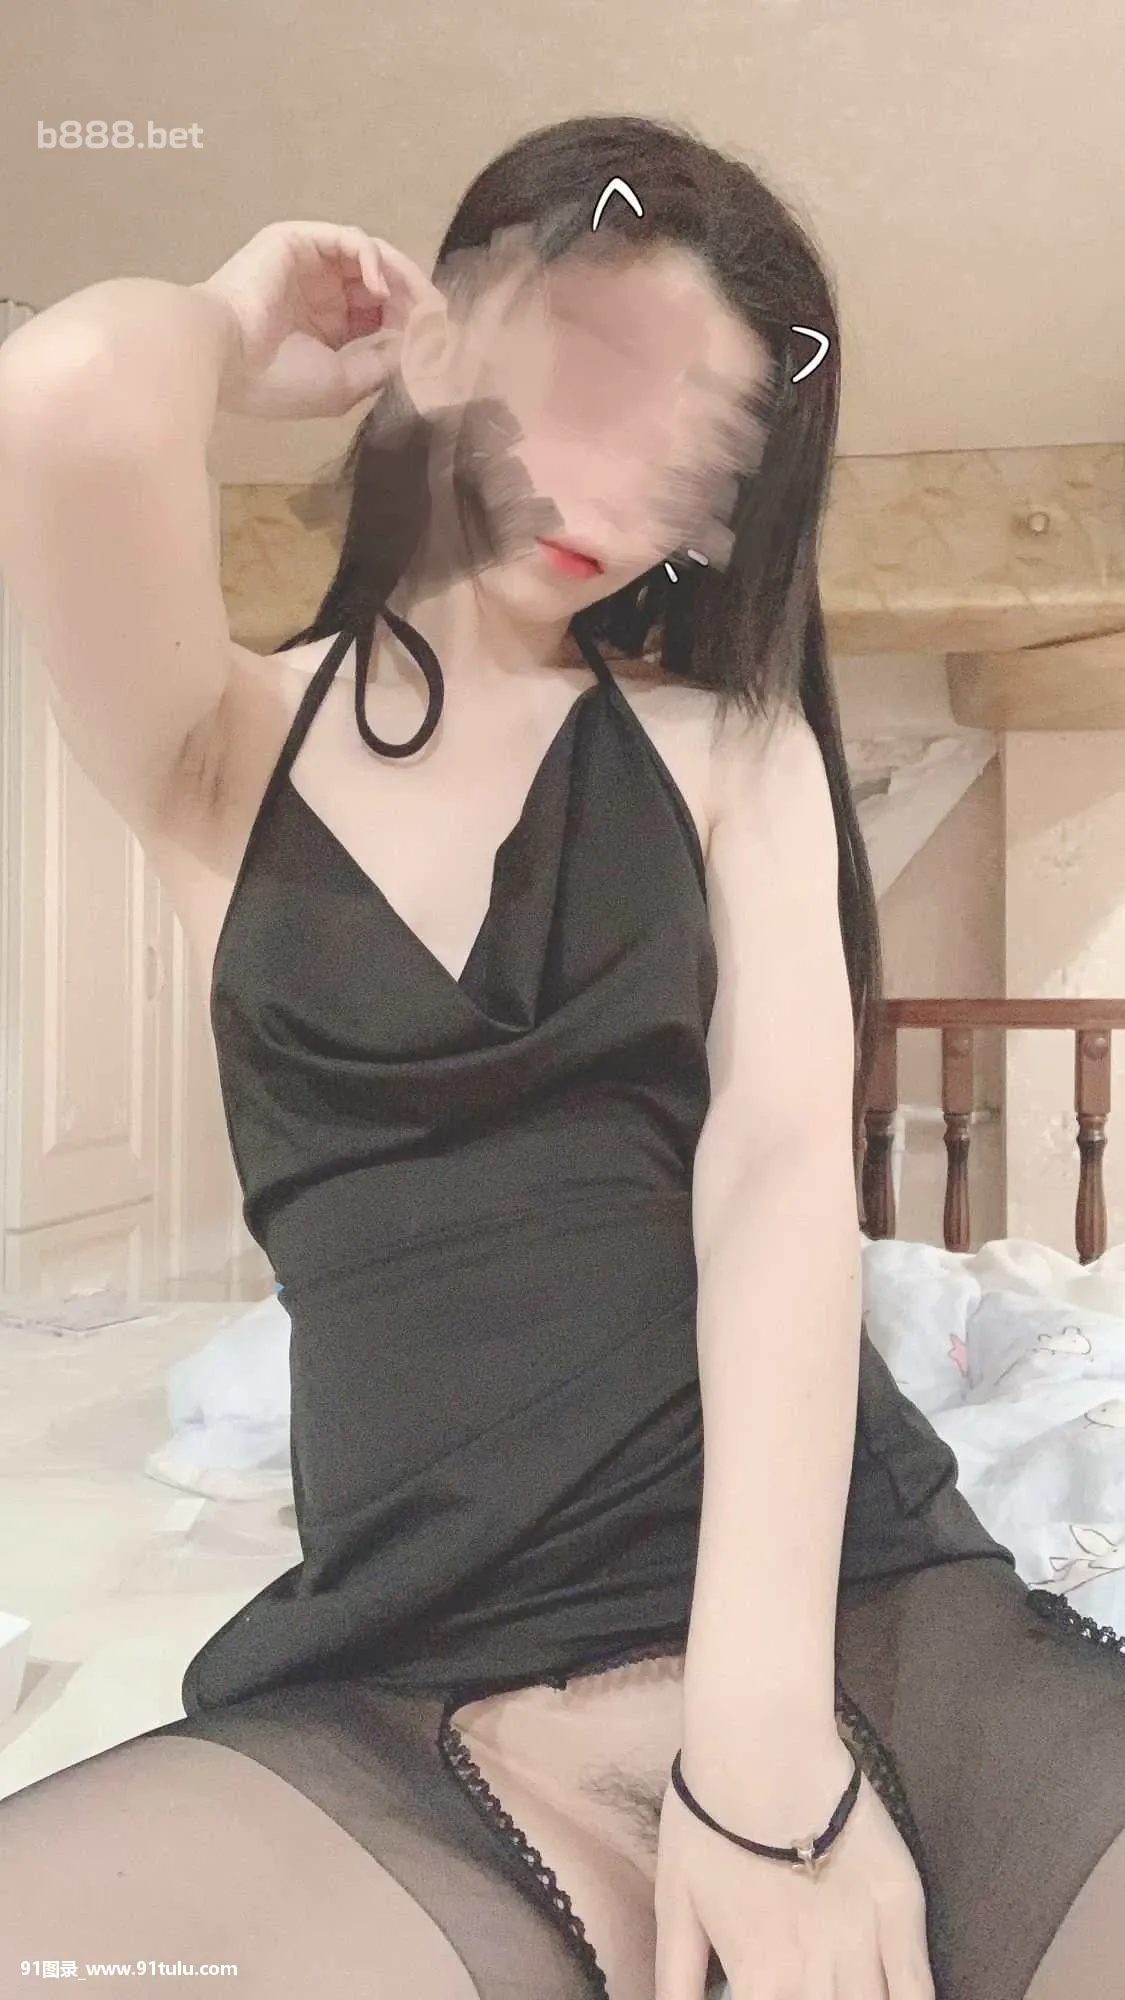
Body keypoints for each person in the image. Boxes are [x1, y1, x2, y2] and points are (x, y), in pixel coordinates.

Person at [0, 111, 1122, 2000]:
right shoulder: (223, 750)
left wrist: (761, 1755)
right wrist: (241, 314)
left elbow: (778, 1178)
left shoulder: (728, 747)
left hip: (837, 1607)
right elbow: (66, 398)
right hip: (408, 1659)